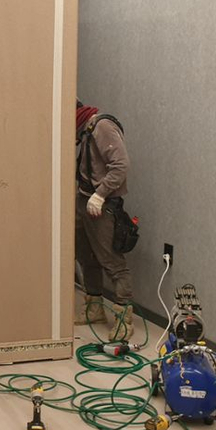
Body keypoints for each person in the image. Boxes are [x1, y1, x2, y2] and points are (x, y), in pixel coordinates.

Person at [75, 100, 134, 340]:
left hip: (102, 204)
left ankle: (124, 320)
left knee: (112, 262)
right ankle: (94, 309)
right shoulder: (85, 130)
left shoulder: (103, 127)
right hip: (84, 200)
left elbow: (120, 165)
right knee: (86, 256)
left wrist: (100, 195)